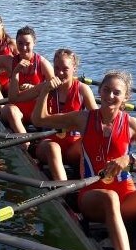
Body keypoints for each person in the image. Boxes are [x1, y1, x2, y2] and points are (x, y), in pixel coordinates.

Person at [32, 70, 136, 250]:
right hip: (91, 195)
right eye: (106, 90)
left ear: (125, 98)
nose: (110, 96)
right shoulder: (84, 118)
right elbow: (39, 119)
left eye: (116, 92)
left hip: (125, 195)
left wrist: (131, 159)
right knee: (110, 197)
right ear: (99, 92)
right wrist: (45, 91)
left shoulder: (132, 125)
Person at [30, 49, 97, 181]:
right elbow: (36, 120)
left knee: (89, 142)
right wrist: (44, 91)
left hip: (73, 149)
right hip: (48, 144)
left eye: (65, 69)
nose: (60, 73)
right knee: (53, 147)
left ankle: (94, 179)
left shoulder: (83, 89)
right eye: (57, 68)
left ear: (74, 69)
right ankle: (64, 190)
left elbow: (97, 122)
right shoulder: (48, 87)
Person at [0, 26, 53, 141]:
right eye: (20, 43)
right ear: (16, 43)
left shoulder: (43, 63)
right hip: (16, 112)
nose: (23, 48)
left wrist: (35, 89)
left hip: (36, 112)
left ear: (34, 43)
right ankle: (25, 142)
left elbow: (56, 90)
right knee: (10, 110)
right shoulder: (9, 61)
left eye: (27, 44)